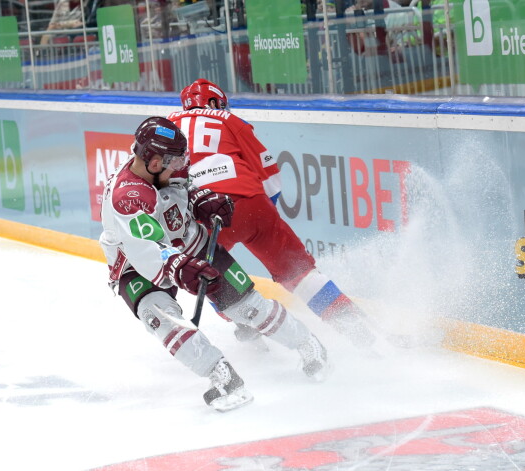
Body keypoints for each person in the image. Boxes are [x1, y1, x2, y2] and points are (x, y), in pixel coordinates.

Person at [99, 116, 329, 412]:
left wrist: (202, 200)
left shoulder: (165, 165)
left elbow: (187, 188)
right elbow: (147, 250)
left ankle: (307, 343)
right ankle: (221, 375)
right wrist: (180, 268)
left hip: (190, 241)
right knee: (159, 316)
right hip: (134, 263)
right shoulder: (127, 197)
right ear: (154, 162)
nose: (180, 165)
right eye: (173, 162)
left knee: (245, 306)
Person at [168, 79, 376, 349]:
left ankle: (246, 324)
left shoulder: (165, 127)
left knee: (209, 274)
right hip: (251, 202)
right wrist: (264, 218)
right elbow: (271, 177)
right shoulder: (230, 120)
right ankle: (355, 329)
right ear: (214, 102)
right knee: (300, 274)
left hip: (200, 215)